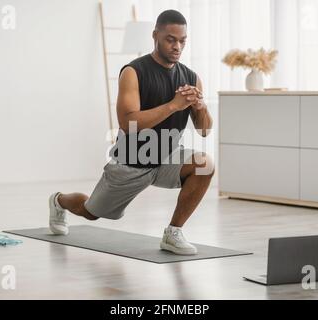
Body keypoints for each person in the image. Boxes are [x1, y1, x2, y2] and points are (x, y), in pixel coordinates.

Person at [49, 9, 214, 255]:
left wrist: (200, 106)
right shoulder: (133, 72)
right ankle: (59, 200)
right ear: (155, 35)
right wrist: (173, 106)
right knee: (90, 212)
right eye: (170, 39)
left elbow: (204, 130)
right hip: (131, 162)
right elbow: (129, 124)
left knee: (204, 164)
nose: (177, 46)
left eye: (182, 40)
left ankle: (173, 233)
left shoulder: (191, 77)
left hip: (168, 156)